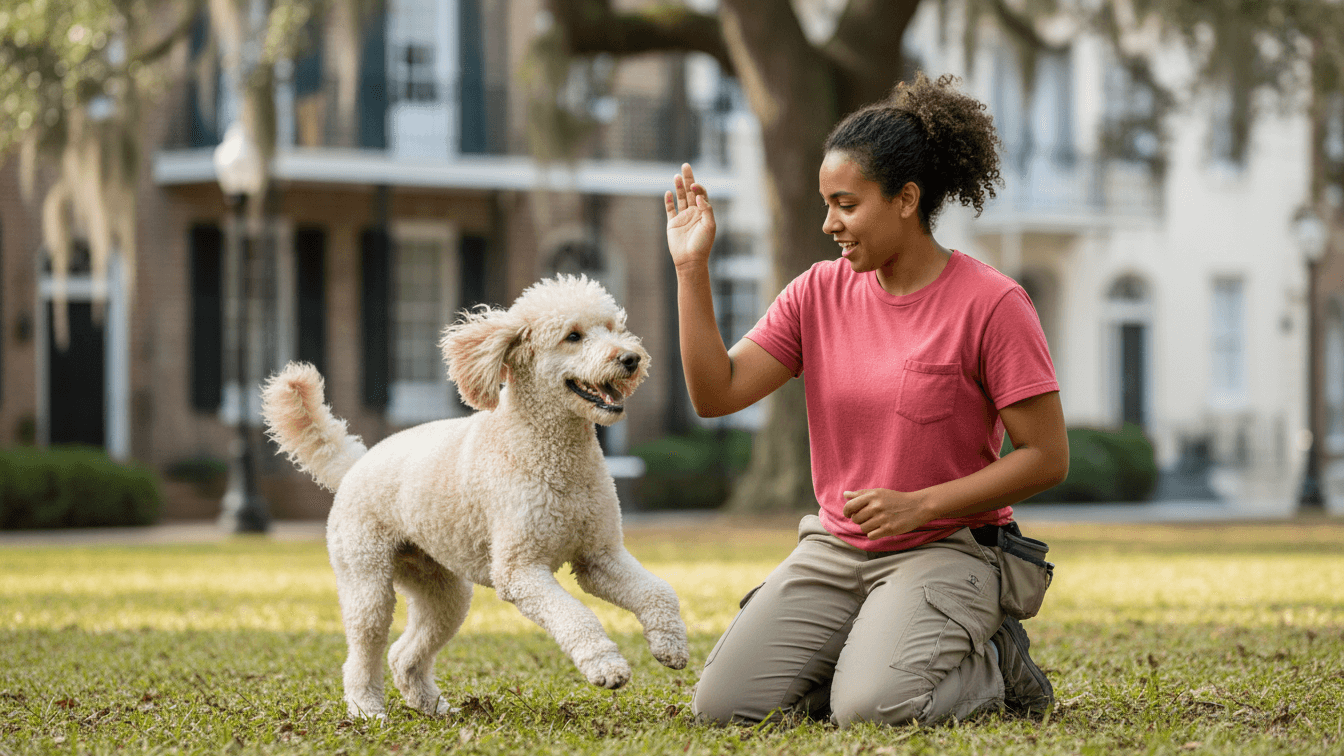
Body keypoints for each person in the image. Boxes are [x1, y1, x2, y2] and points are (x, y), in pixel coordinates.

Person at [664, 73, 1068, 727]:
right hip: (836, 548)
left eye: (846, 205)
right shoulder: (817, 294)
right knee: (723, 707)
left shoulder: (991, 304)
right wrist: (690, 270)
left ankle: (991, 662)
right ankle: (869, 645)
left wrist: (923, 505)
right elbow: (717, 394)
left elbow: (1047, 457)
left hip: (947, 546)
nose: (830, 224)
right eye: (827, 204)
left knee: (872, 710)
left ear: (906, 199)